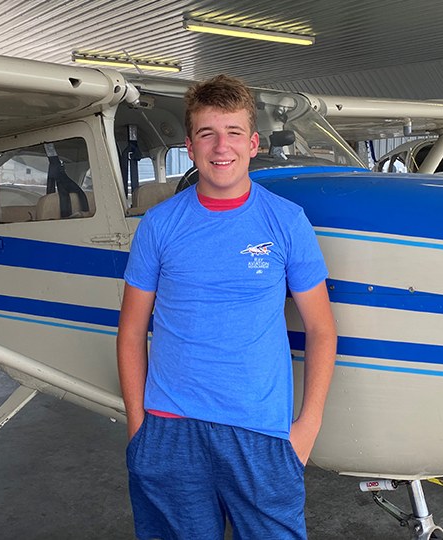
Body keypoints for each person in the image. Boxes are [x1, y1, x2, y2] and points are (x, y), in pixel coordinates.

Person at [117, 74, 337, 540]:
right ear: (190, 146)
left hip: (260, 433)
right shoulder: (158, 225)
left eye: (234, 132)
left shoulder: (286, 222)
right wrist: (139, 428)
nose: (222, 147)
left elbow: (321, 328)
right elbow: (131, 331)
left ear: (253, 144)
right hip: (170, 431)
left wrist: (308, 427)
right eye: (207, 133)